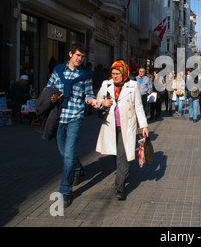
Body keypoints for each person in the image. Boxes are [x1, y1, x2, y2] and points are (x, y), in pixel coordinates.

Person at [45, 42, 100, 208]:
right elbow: (49, 88)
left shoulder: (85, 74)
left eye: (82, 57)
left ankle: (65, 191)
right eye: (77, 55)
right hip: (58, 117)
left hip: (75, 116)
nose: (79, 59)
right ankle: (78, 170)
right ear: (70, 54)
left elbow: (88, 94)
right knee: (64, 153)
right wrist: (52, 97)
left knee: (68, 155)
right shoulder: (58, 70)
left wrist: (92, 101)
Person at [96, 60, 149, 200]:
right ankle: (123, 172)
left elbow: (138, 106)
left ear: (124, 73)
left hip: (127, 126)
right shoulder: (106, 84)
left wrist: (144, 125)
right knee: (115, 154)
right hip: (111, 126)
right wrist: (102, 103)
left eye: (117, 74)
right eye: (113, 74)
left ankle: (119, 187)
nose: (115, 77)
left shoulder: (133, 85)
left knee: (122, 155)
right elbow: (98, 100)